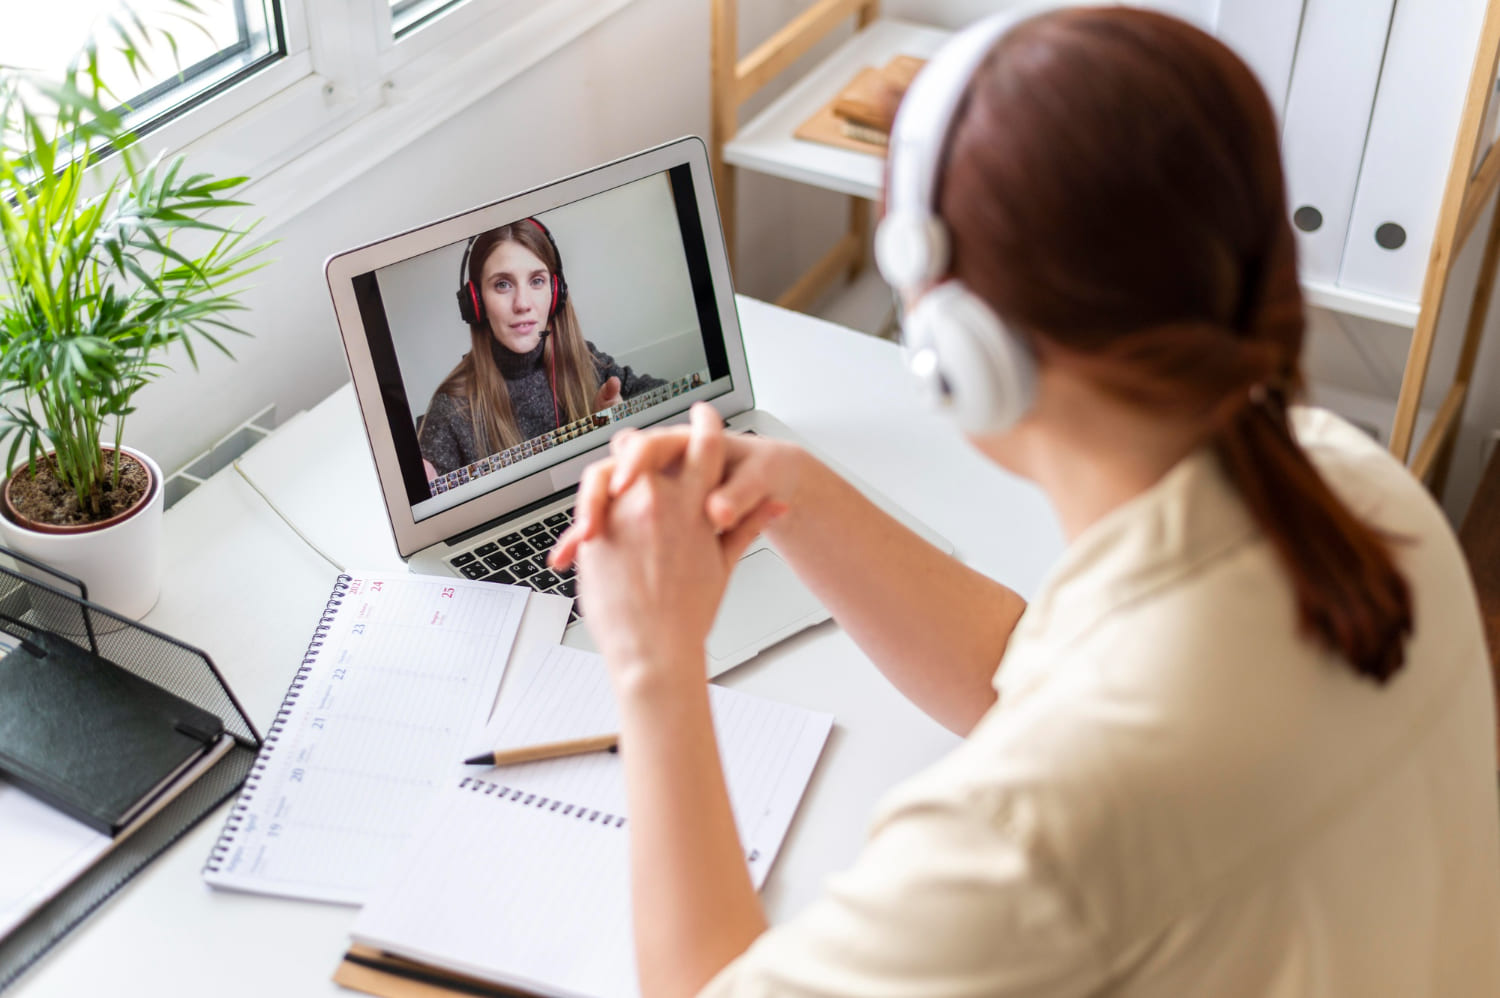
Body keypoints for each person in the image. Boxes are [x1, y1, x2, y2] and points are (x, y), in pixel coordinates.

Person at [550, 7, 1500, 998]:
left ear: (964, 345)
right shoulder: (1349, 483)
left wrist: (655, 666)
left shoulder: (1044, 826)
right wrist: (797, 492)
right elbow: (1029, 678)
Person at [418, 218, 664, 476]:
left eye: (536, 281)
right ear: (476, 303)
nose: (523, 303)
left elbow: (675, 403)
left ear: (556, 293)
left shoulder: (587, 360)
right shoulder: (451, 411)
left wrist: (623, 422)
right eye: (503, 284)